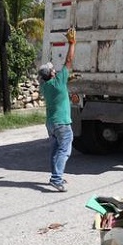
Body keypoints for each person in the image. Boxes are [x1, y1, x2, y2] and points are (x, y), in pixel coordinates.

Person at [38, 27, 75, 192]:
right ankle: (56, 178)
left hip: (51, 124)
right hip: (62, 124)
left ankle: (55, 175)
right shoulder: (59, 81)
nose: (55, 69)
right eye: (53, 69)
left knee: (54, 150)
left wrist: (67, 78)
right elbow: (69, 60)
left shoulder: (46, 86)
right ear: (52, 74)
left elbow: (59, 77)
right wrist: (72, 43)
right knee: (64, 150)